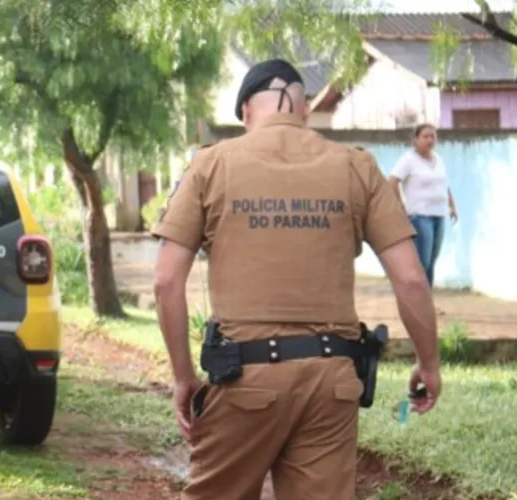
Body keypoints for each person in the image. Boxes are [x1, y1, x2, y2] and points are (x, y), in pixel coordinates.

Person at [152, 59, 442, 500]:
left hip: (242, 381)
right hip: (332, 386)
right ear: (304, 108)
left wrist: (182, 377)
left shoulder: (211, 165)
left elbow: (166, 283)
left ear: (247, 111)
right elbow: (412, 281)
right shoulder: (355, 167)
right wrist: (429, 363)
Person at [388, 124, 458, 287]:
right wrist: (401, 207)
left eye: (433, 136)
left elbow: (444, 184)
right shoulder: (409, 160)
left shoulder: (437, 159)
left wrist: (452, 206)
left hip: (439, 215)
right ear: (416, 139)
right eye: (425, 136)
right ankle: (417, 303)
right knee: (422, 262)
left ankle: (427, 304)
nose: (430, 140)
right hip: (420, 216)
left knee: (432, 261)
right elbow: (391, 182)